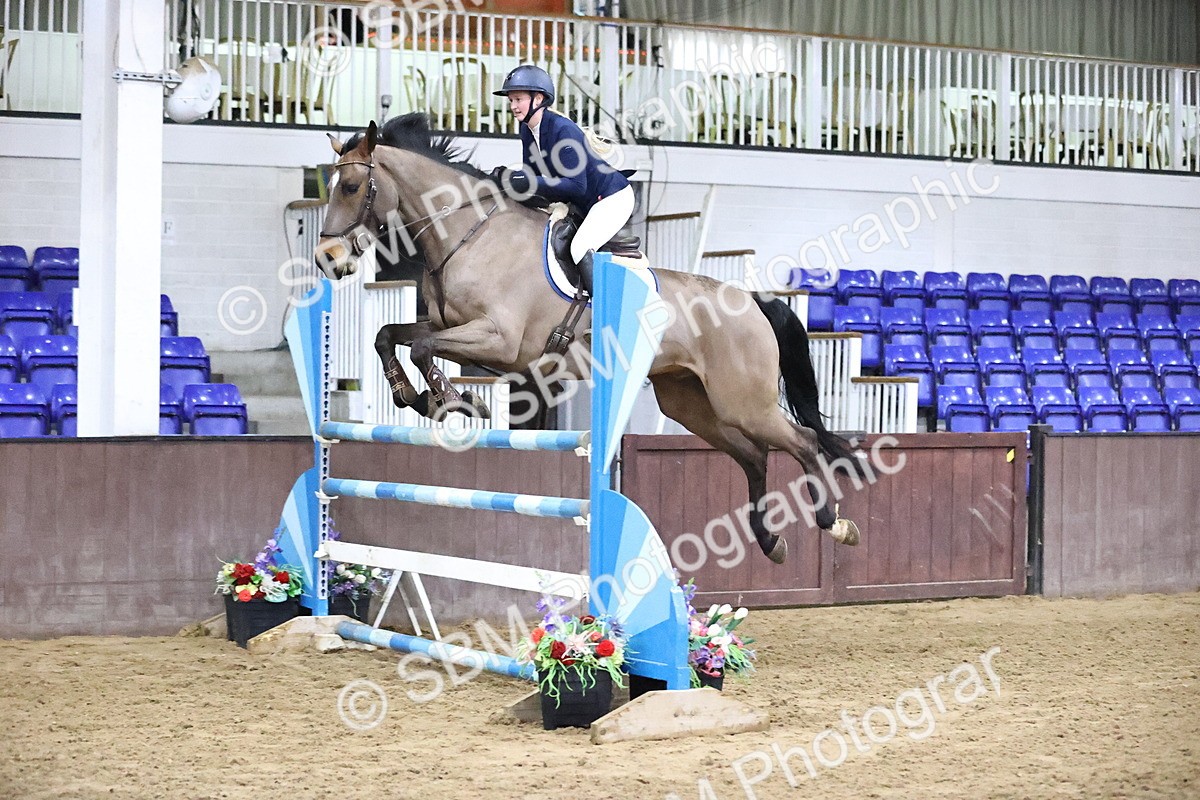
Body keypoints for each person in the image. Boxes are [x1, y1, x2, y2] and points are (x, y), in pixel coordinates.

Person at [491, 64, 633, 295]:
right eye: (510, 101)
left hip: (611, 199)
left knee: (579, 248)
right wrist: (507, 182)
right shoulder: (528, 130)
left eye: (517, 99)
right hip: (585, 201)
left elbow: (576, 186)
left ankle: (604, 316)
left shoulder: (562, 130)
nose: (513, 106)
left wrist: (529, 182)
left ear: (538, 99)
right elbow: (534, 178)